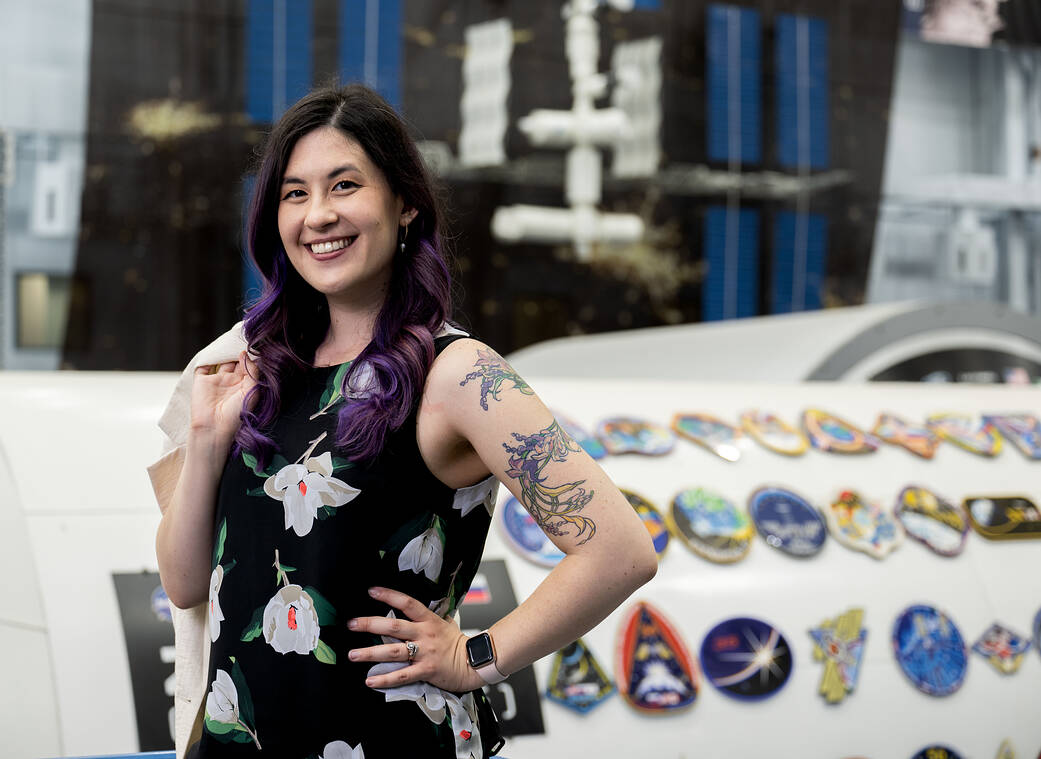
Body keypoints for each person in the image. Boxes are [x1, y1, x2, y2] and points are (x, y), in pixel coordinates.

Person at [151, 83, 657, 759]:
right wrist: (211, 439)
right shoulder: (257, 370)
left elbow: (619, 550)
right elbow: (186, 585)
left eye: (344, 185)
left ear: (406, 203)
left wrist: (477, 654)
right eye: (294, 193)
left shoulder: (457, 373)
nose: (318, 215)